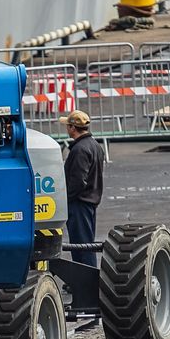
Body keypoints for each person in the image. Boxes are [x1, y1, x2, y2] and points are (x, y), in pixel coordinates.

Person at [62, 110, 103, 266]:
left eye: (68, 125)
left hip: (79, 203)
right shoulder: (94, 145)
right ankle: (82, 277)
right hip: (89, 201)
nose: (66, 128)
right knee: (85, 243)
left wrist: (67, 199)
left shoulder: (80, 149)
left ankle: (85, 280)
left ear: (73, 128)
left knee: (81, 245)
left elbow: (78, 181)